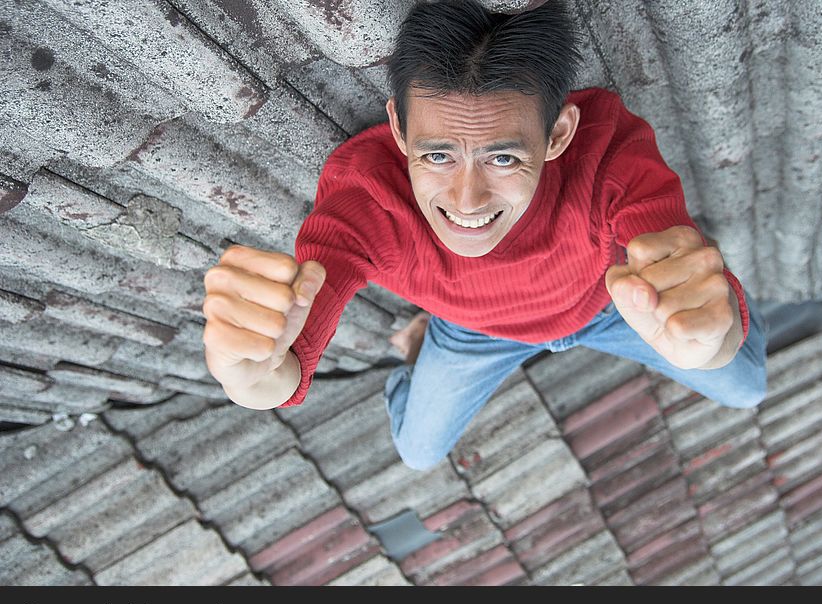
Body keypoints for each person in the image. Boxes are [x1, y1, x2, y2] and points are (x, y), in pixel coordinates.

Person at [201, 0, 768, 471]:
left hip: (613, 306)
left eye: (501, 157)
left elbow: (667, 243)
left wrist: (708, 331)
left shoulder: (608, 149)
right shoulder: (365, 194)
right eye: (438, 155)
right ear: (399, 128)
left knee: (744, 384)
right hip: (472, 331)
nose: (466, 201)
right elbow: (290, 357)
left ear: (558, 134)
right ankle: (421, 352)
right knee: (418, 453)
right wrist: (249, 375)